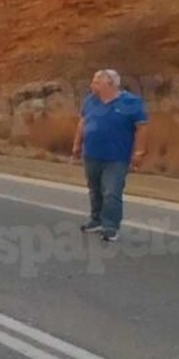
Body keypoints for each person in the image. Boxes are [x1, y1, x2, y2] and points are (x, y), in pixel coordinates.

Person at [72, 69, 149, 242]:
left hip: (117, 157)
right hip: (91, 154)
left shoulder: (131, 102)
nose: (92, 85)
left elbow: (142, 127)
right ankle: (96, 219)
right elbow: (82, 122)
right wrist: (77, 144)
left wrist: (139, 152)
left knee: (111, 192)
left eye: (96, 82)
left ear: (110, 84)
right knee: (95, 189)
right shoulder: (90, 101)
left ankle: (110, 226)